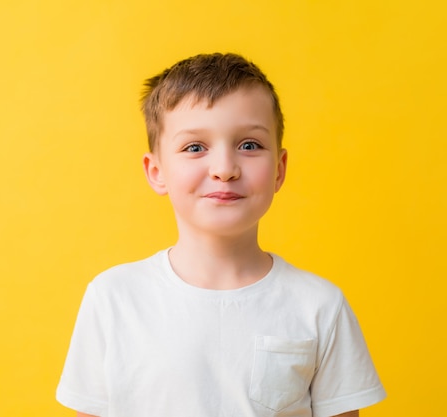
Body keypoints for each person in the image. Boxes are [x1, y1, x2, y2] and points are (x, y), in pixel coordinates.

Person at [56, 52, 386, 417]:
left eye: (249, 145)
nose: (225, 169)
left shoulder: (320, 306)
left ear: (279, 169)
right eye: (195, 147)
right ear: (156, 171)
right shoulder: (114, 298)